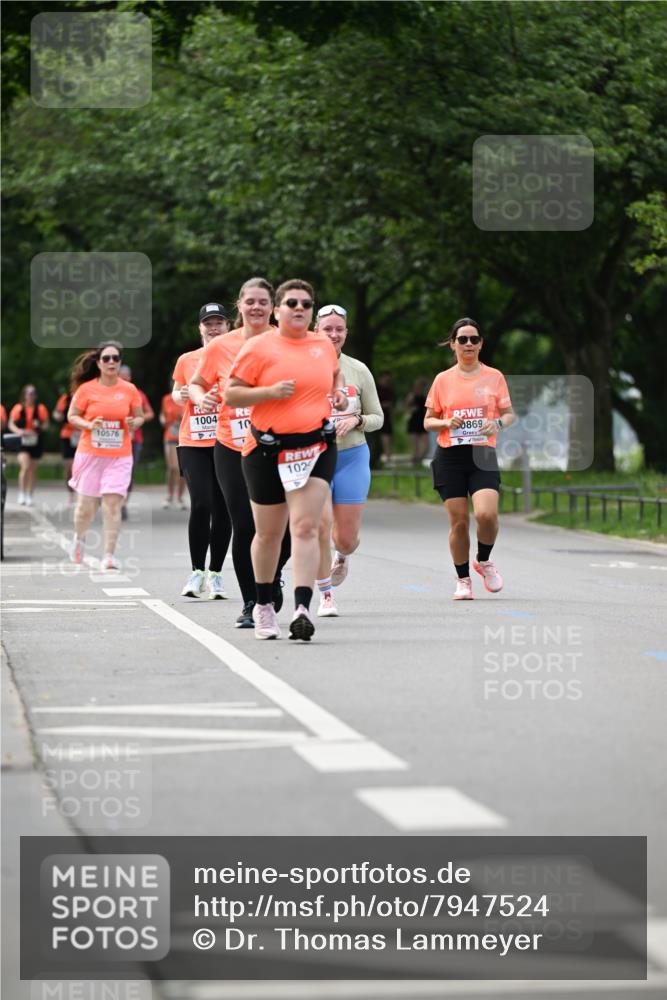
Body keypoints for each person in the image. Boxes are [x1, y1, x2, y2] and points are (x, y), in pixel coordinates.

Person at [225, 279, 347, 641]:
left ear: (312, 311)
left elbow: (334, 374)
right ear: (277, 310)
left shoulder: (322, 345)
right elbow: (231, 394)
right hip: (267, 449)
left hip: (315, 447)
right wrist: (269, 392)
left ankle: (302, 609)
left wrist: (337, 394)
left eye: (305, 304)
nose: (299, 308)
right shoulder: (259, 347)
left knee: (307, 528)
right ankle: (263, 605)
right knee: (269, 534)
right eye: (291, 302)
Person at [190, 277, 289, 628]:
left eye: (264, 301)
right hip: (231, 445)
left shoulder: (286, 340)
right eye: (250, 301)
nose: (257, 307)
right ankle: (253, 601)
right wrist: (203, 398)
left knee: (284, 530)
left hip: (279, 443)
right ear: (240, 306)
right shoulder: (221, 345)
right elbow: (197, 383)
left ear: (273, 307)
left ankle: (272, 574)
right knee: (244, 525)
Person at [424, 317, 515, 600]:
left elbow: (509, 414)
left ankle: (484, 560)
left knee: (487, 514)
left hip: (482, 454)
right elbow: (428, 421)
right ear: (453, 345)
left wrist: (497, 424)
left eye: (474, 339)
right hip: (450, 456)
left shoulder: (494, 377)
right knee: (460, 522)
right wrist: (447, 422)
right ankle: (463, 579)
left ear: (481, 344)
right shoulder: (442, 380)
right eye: (462, 339)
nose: (468, 344)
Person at [313, 304, 384, 617]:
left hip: (353, 456)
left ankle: (342, 555)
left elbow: (378, 417)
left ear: (346, 332)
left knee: (346, 537)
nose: (333, 334)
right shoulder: (304, 367)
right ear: (316, 330)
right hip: (314, 456)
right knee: (319, 526)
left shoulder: (358, 370)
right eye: (327, 328)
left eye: (338, 329)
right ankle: (325, 594)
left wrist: (357, 421)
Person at [172, 303, 233, 600]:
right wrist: (181, 394)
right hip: (193, 441)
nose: (213, 327)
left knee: (224, 508)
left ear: (228, 326)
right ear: (200, 328)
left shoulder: (239, 356)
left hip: (227, 441)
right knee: (202, 503)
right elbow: (175, 392)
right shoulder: (187, 359)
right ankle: (196, 571)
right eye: (208, 323)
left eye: (219, 322)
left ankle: (216, 574)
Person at [66, 342, 144, 569]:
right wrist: (90, 425)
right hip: (90, 454)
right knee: (85, 508)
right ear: (99, 363)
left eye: (116, 358)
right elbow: (72, 416)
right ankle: (78, 540)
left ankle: (108, 555)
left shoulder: (129, 389)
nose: (112, 362)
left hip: (119, 455)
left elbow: (139, 417)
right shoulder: (86, 389)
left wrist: (133, 422)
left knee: (112, 505)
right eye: (107, 358)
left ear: (120, 362)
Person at [119, 364, 154, 519]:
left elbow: (150, 413)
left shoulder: (138, 394)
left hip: (134, 439)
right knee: (116, 472)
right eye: (121, 377)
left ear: (130, 378)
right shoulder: (110, 393)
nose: (124, 380)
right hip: (115, 440)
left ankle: (124, 503)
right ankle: (114, 500)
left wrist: (137, 420)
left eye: (126, 377)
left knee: (129, 473)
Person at [8, 385, 49, 506]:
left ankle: (29, 494)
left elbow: (46, 425)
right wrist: (19, 431)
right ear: (24, 395)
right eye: (28, 393)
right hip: (23, 441)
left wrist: (39, 426)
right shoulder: (18, 408)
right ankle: (21, 493)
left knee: (32, 469)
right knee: (25, 467)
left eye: (33, 393)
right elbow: (11, 424)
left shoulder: (40, 408)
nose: (30, 396)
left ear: (35, 396)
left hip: (35, 441)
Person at [159, 386, 185, 509]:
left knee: (182, 469)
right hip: (170, 435)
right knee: (172, 467)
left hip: (185, 436)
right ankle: (169, 495)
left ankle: (180, 497)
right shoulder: (167, 399)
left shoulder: (188, 397)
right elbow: (162, 415)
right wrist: (163, 420)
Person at [52, 389, 79, 502]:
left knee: (80, 466)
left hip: (83, 435)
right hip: (68, 435)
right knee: (69, 467)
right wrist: (57, 416)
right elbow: (56, 412)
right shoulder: (66, 397)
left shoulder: (89, 393)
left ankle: (80, 492)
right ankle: (71, 492)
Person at [405, 376, 430, 465]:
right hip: (414, 422)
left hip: (423, 422)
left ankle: (417, 461)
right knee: (415, 448)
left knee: (426, 447)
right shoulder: (411, 396)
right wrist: (411, 409)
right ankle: (414, 464)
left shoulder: (425, 396)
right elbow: (405, 408)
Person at [376, 372, 395, 463]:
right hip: (376, 415)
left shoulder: (390, 389)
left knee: (387, 436)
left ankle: (388, 456)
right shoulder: (376, 389)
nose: (387, 381)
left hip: (386, 416)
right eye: (385, 379)